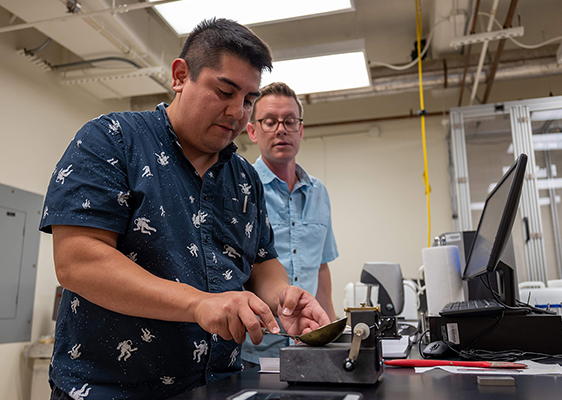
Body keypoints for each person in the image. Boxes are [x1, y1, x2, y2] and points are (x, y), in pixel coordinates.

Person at [39, 19, 329, 400]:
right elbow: (78, 261)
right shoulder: (112, 140)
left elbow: (261, 261)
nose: (237, 112)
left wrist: (282, 297)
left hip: (220, 386)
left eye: (247, 100)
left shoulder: (244, 178)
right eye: (224, 91)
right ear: (180, 76)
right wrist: (198, 304)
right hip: (111, 389)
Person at [242, 82, 339, 364]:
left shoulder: (319, 192)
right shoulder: (240, 188)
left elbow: (321, 268)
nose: (281, 129)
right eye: (270, 122)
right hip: (252, 349)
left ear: (301, 129)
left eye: (289, 121)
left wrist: (329, 336)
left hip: (307, 346)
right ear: (252, 131)